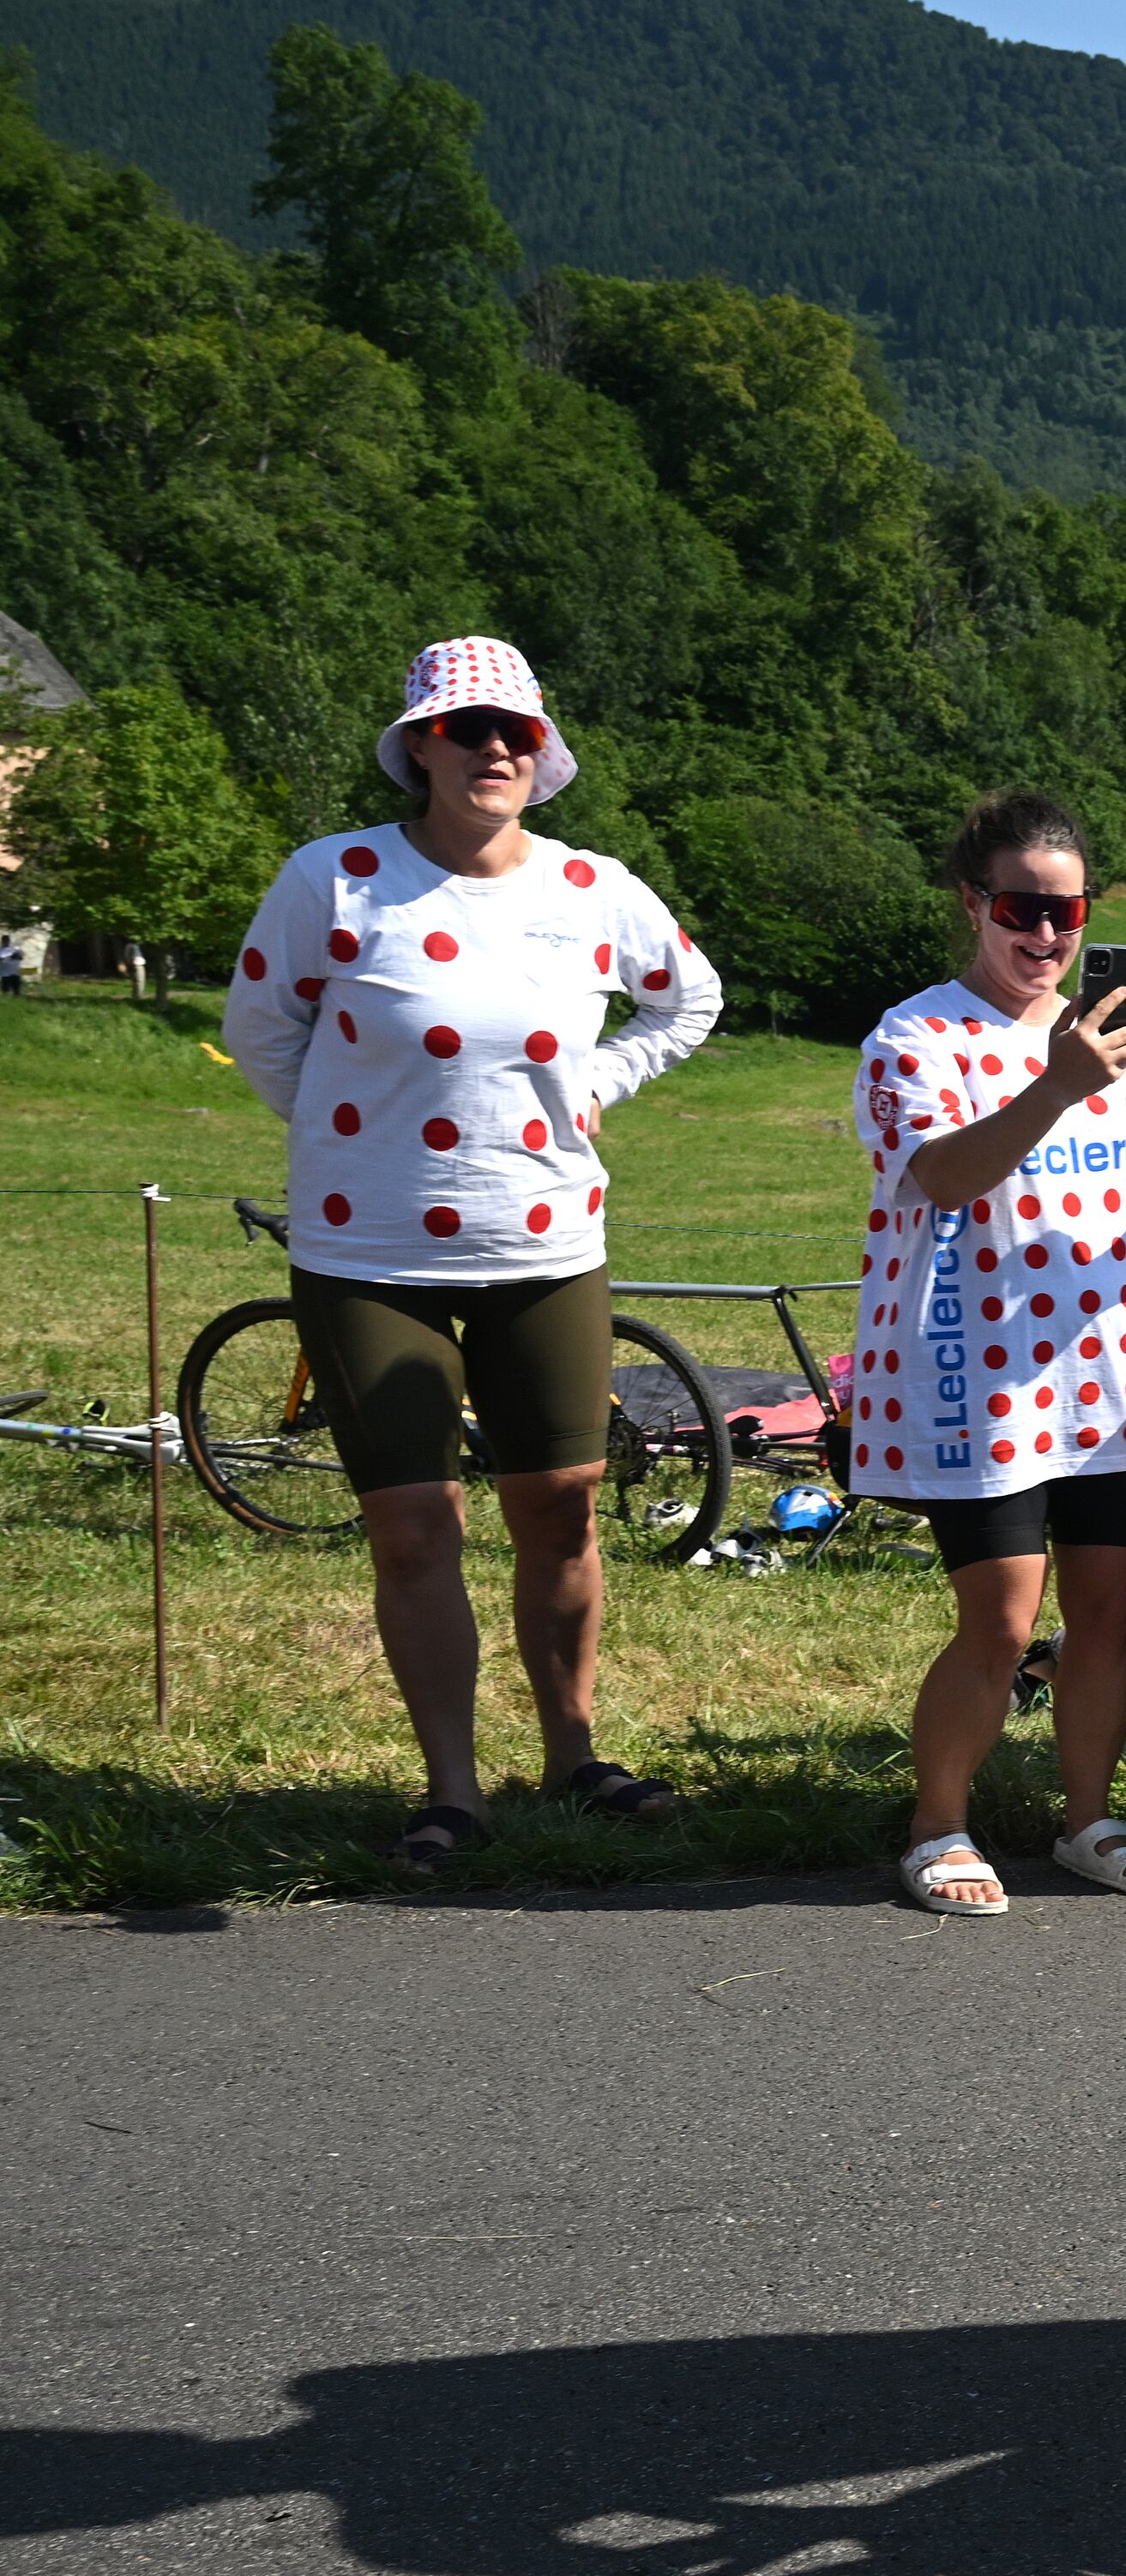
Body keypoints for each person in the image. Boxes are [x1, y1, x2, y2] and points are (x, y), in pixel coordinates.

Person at [223, 635, 722, 1869]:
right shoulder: (333, 877)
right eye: (465, 727)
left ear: (541, 751)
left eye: (516, 730)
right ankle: (453, 1791)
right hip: (367, 1250)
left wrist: (603, 1078)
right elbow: (262, 1028)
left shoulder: (594, 887)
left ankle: (573, 1755)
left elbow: (688, 999)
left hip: (545, 1238)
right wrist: (354, 1131)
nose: (494, 747)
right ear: (420, 748)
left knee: (561, 1511)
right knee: (413, 1524)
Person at [843, 793, 1126, 1915]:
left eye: (1067, 911)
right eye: (1020, 908)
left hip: (1111, 1380)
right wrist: (1056, 1084)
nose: (1046, 934)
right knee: (1003, 1622)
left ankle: (1086, 1817)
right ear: (972, 903)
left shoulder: (1123, 1052)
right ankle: (938, 1824)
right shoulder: (914, 1037)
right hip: (979, 1380)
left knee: (1104, 1615)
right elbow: (943, 1175)